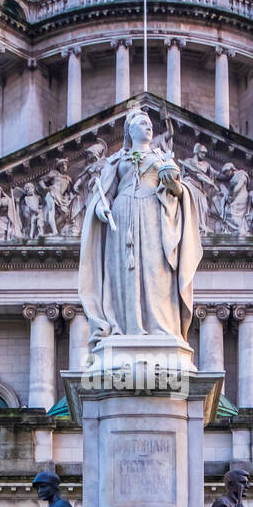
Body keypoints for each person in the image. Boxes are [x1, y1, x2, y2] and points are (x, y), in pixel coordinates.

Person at [78, 105, 202, 345]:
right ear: (129, 131)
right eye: (142, 123)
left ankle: (160, 327)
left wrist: (175, 186)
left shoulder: (162, 158)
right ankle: (125, 326)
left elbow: (177, 191)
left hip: (154, 218)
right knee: (124, 271)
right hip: (123, 218)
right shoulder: (116, 161)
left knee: (157, 270)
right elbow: (104, 193)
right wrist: (101, 208)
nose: (148, 127)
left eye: (150, 125)